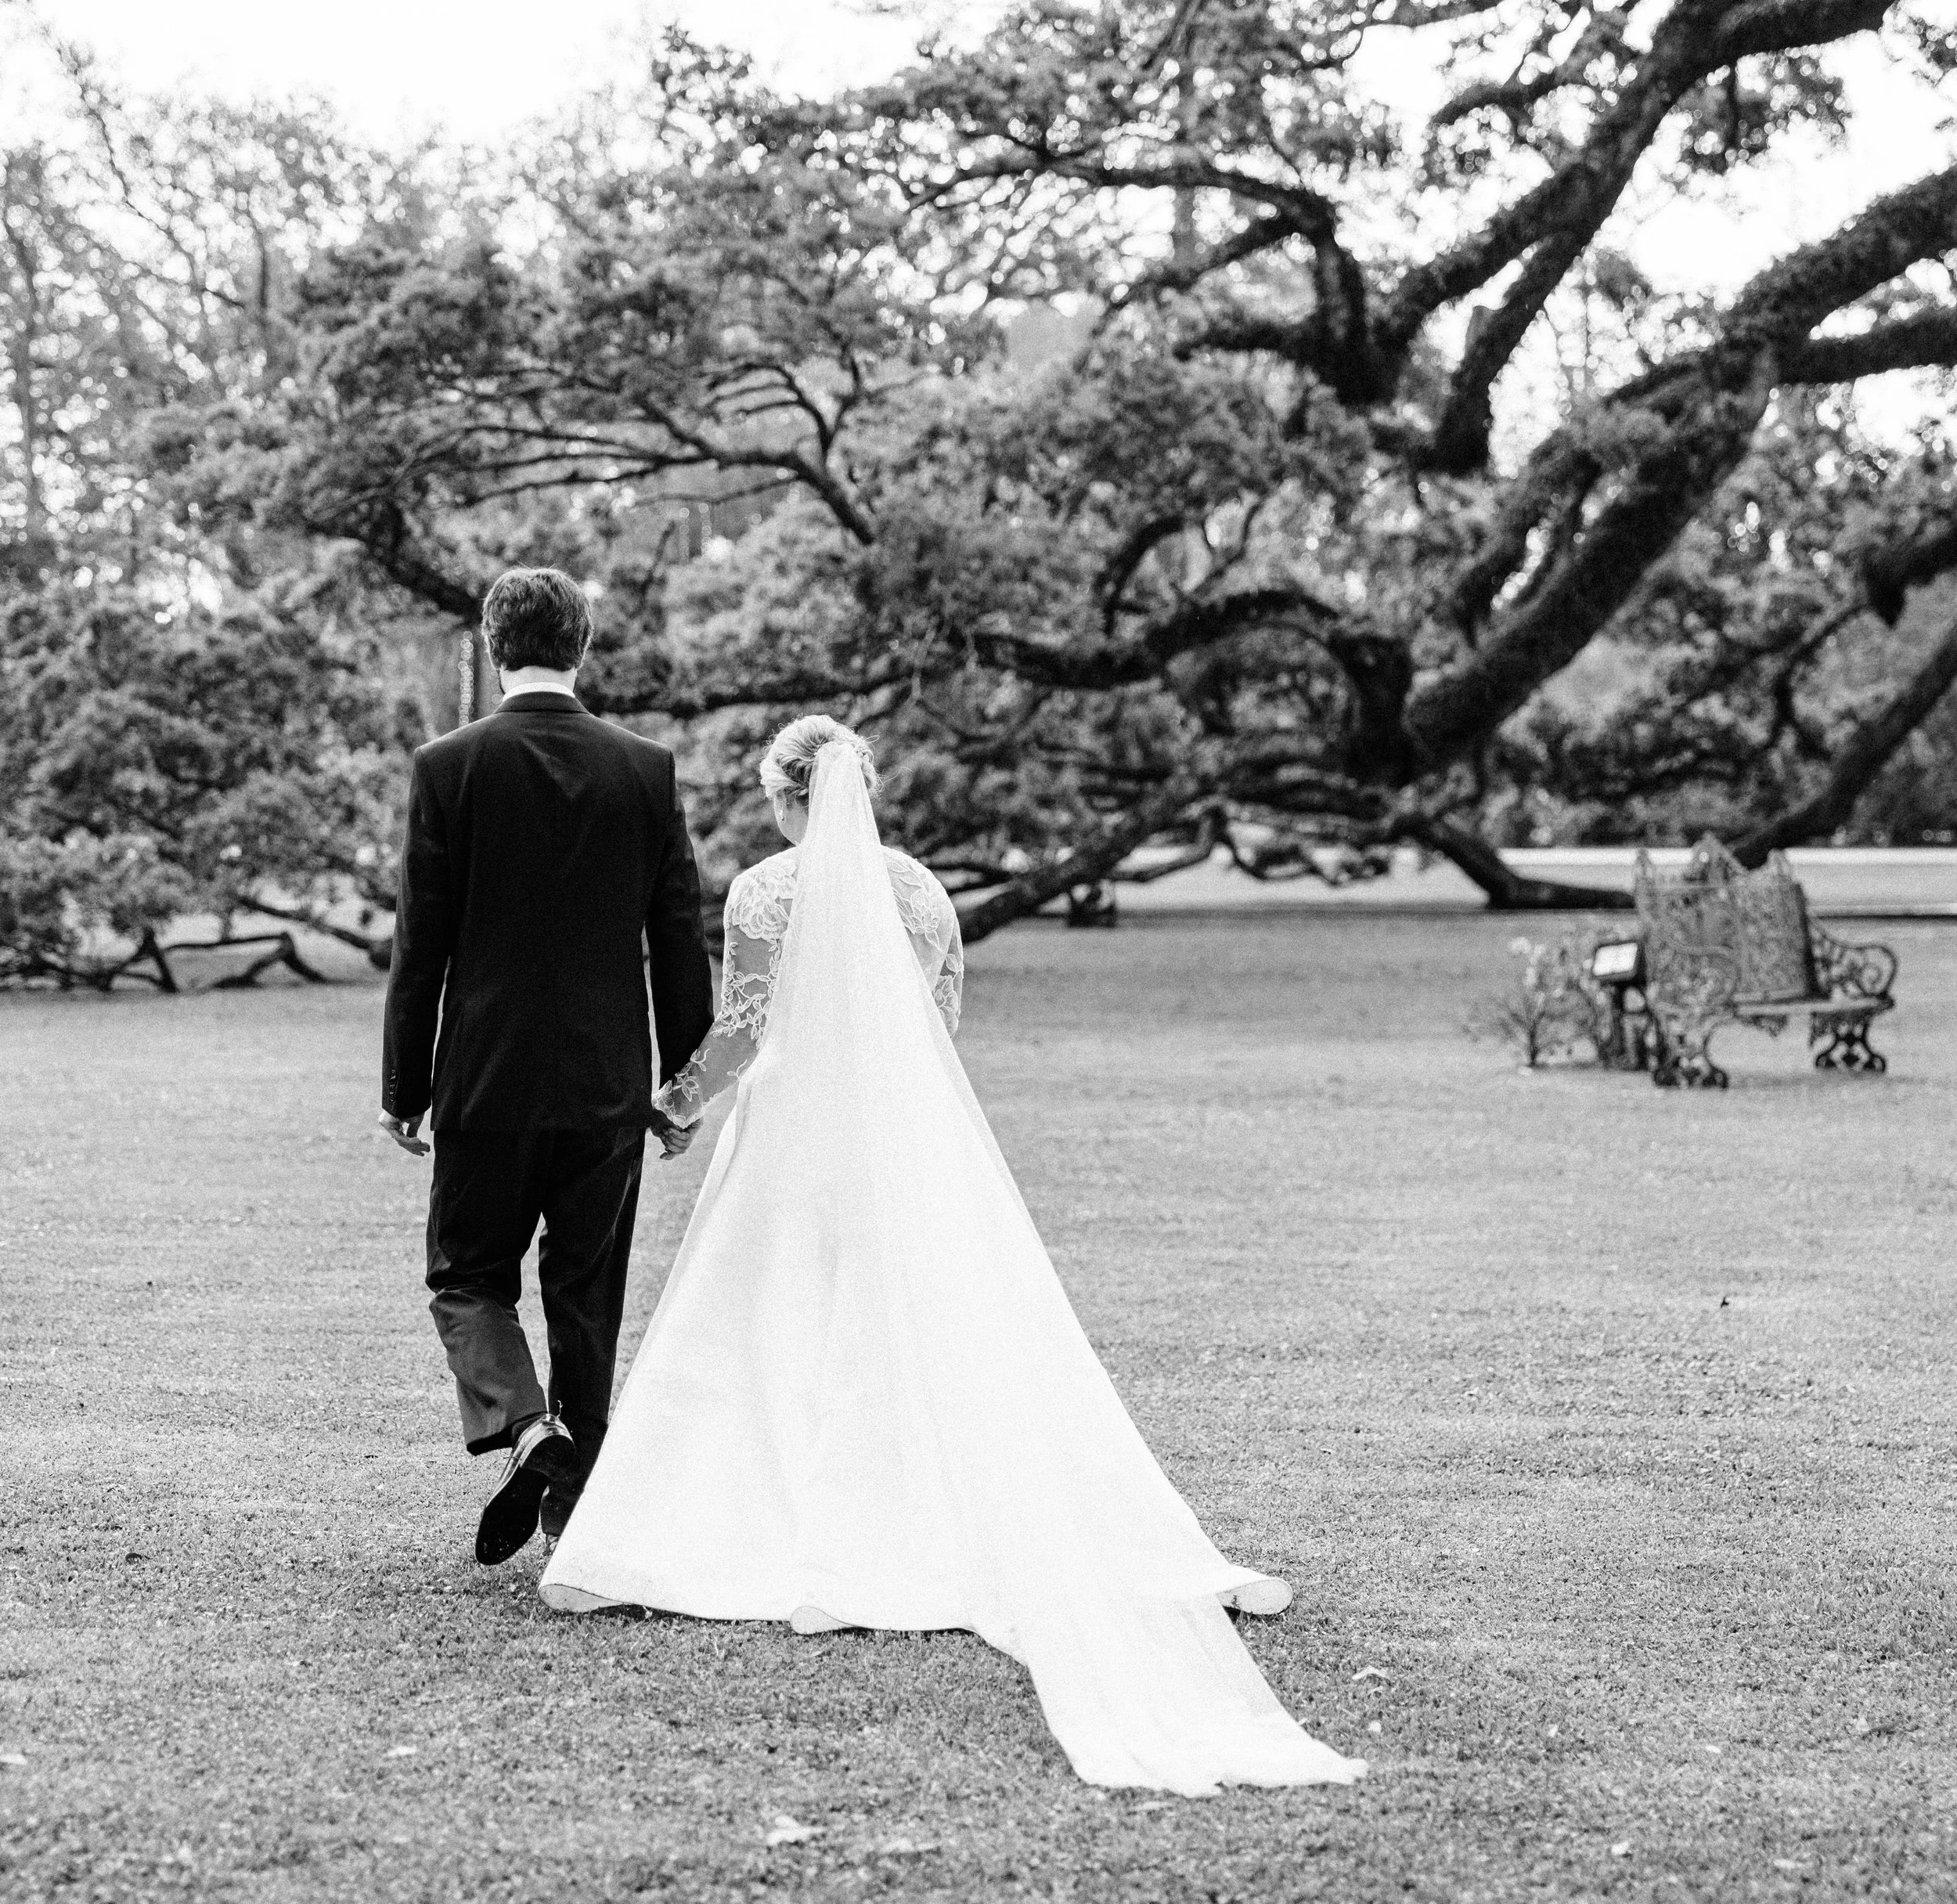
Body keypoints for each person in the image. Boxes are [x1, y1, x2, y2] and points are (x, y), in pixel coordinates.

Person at [540, 714, 1361, 1799]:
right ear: (865, 791)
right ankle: (900, 1494)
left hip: (792, 1133)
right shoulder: (923, 893)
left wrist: (677, 1102)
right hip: (900, 1139)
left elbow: (741, 1027)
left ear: (792, 800)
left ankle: (773, 1514)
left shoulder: (762, 894)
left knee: (767, 1321)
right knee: (902, 1316)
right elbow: (937, 1025)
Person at [378, 566, 713, 1565]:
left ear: (492, 645)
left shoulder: (448, 766)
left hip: (482, 1078)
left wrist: (403, 1087)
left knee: (467, 1275)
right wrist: (680, 1085)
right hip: (606, 1084)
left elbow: (419, 944)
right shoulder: (643, 768)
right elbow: (677, 934)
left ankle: (528, 1429)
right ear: (585, 645)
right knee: (587, 1290)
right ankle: (576, 1509)